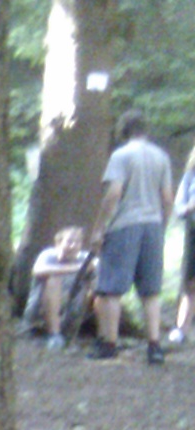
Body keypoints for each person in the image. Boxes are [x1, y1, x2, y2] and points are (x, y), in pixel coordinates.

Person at [86, 110, 174, 364]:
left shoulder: (121, 155)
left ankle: (109, 343)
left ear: (123, 130)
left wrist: (99, 228)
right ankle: (154, 346)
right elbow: (167, 197)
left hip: (124, 225)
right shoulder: (161, 156)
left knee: (112, 288)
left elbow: (114, 193)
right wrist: (162, 224)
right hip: (153, 225)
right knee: (151, 291)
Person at [27, 226, 90, 349]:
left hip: (73, 308)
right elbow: (37, 270)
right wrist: (77, 269)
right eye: (69, 241)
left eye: (77, 242)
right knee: (53, 281)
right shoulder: (48, 255)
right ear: (58, 243)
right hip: (40, 310)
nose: (73, 246)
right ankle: (54, 335)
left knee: (96, 286)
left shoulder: (85, 258)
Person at [173, 158, 195, 344]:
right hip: (193, 233)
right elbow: (179, 208)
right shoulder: (190, 177)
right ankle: (181, 329)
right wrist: (190, 207)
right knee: (190, 283)